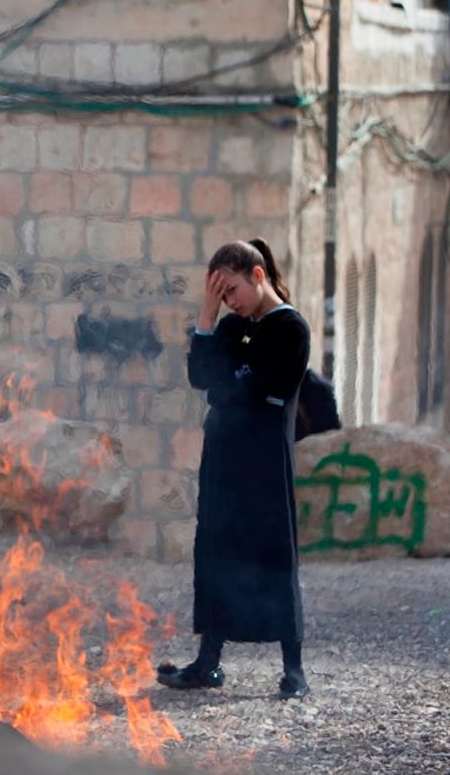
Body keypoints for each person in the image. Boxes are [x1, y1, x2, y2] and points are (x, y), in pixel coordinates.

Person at [156, 238, 311, 700]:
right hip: (223, 462)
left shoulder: (290, 329)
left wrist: (230, 387)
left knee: (273, 557)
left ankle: (294, 668)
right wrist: (206, 314)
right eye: (221, 296)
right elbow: (202, 378)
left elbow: (265, 388)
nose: (230, 302)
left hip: (264, 463)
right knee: (217, 555)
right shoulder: (230, 328)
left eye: (232, 291)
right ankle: (208, 662)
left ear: (258, 276)